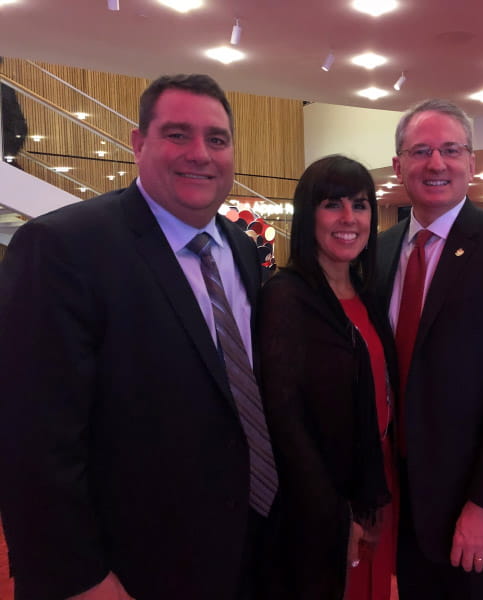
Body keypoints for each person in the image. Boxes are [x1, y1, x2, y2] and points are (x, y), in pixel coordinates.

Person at [0, 74, 279, 600]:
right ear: (138, 143)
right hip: (123, 570)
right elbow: (30, 441)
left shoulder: (241, 250)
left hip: (238, 550)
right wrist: (80, 578)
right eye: (177, 134)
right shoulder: (63, 248)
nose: (200, 153)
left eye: (217, 139)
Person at [377, 99, 483, 599]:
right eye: (421, 151)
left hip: (475, 500)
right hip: (401, 495)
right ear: (398, 166)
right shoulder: (380, 250)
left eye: (451, 150)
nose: (436, 163)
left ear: (472, 163)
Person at [258, 155, 395, 600]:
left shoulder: (367, 293)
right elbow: (286, 422)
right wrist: (335, 515)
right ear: (307, 215)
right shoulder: (286, 297)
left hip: (376, 480)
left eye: (360, 205)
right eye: (332, 204)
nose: (348, 218)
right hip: (323, 497)